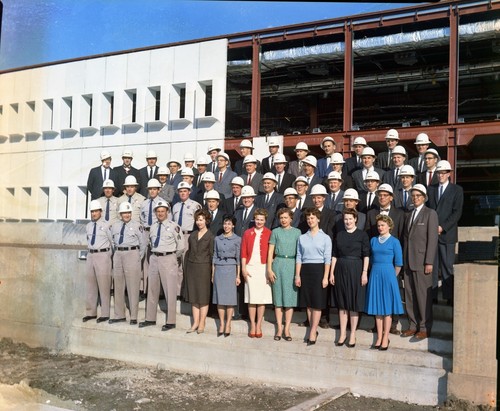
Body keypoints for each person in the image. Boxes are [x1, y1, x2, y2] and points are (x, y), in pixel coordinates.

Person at [401, 184, 439, 340]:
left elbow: (432, 239)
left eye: (418, 195)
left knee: (423, 296)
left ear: (424, 197)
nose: (415, 198)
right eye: (413, 195)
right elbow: (406, 239)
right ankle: (412, 325)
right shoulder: (408, 215)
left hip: (422, 262)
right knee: (409, 295)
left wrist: (429, 261)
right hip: (408, 261)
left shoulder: (430, 214)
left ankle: (424, 327)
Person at [140, 201, 184, 330]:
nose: (160, 213)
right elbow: (150, 243)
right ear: (155, 213)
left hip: (168, 258)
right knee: (152, 289)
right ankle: (150, 318)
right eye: (158, 211)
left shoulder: (174, 226)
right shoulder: (153, 227)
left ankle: (171, 321)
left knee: (170, 290)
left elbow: (181, 247)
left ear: (167, 212)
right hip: (154, 258)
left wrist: (171, 258)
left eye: (162, 211)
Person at [330, 208, 370, 348]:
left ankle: (352, 333)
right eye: (345, 219)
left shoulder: (362, 235)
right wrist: (331, 273)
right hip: (340, 268)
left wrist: (364, 272)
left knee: (353, 304)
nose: (348, 221)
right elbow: (334, 254)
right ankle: (342, 334)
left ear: (355, 220)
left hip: (356, 269)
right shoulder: (339, 235)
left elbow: (366, 255)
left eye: (350, 219)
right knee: (342, 304)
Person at [427, 160, 463, 306]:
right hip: (432, 234)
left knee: (447, 266)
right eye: (439, 173)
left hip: (447, 235)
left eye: (443, 173)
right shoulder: (431, 189)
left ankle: (449, 297)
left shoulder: (457, 190)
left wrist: (442, 227)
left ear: (449, 174)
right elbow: (429, 210)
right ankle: (433, 295)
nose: (441, 175)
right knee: (433, 267)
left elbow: (456, 213)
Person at [365, 215, 404, 351]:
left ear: (389, 226)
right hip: (375, 274)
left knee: (387, 308)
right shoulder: (373, 240)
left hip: (388, 274)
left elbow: (398, 263)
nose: (380, 227)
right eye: (379, 225)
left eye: (383, 225)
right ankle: (379, 337)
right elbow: (369, 258)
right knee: (377, 308)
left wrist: (392, 276)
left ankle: (386, 336)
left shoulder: (394, 242)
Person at [295, 208, 332, 346]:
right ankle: (312, 328)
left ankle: (313, 330)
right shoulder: (302, 237)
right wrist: (297, 275)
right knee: (308, 303)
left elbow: (327, 259)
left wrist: (325, 277)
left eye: (313, 218)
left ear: (318, 219)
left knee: (317, 303)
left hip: (319, 270)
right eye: (308, 218)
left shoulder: (325, 238)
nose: (310, 220)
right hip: (305, 270)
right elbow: (299, 257)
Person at [267, 208, 301, 341]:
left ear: (291, 218)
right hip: (278, 263)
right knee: (278, 298)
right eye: (281, 217)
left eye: (286, 217)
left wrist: (298, 273)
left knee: (289, 298)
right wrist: (269, 269)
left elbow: (300, 253)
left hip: (291, 264)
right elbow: (270, 252)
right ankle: (279, 329)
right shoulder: (275, 232)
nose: (283, 220)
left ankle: (287, 328)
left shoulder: (297, 232)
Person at [110, 202, 146, 325]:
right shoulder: (114, 226)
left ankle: (133, 316)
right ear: (120, 214)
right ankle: (119, 315)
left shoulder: (137, 226)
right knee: (118, 286)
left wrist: (136, 258)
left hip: (132, 254)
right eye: (124, 213)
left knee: (133, 286)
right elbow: (112, 243)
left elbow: (143, 245)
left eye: (128, 212)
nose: (126, 215)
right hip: (118, 254)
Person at [241, 208, 273, 338]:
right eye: (257, 219)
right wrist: (243, 268)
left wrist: (269, 269)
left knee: (261, 299)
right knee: (252, 298)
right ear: (254, 219)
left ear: (265, 220)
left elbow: (272, 253)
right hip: (250, 267)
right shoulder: (247, 233)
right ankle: (252, 324)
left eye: (262, 220)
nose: (259, 222)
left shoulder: (269, 233)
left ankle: (259, 324)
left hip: (264, 267)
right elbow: (243, 252)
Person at [183, 209, 214, 334]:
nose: (199, 222)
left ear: (206, 221)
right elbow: (189, 251)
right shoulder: (193, 235)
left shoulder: (211, 236)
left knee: (203, 296)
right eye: (197, 220)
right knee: (194, 296)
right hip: (192, 267)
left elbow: (212, 255)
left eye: (201, 220)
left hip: (204, 268)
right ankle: (195, 322)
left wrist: (212, 273)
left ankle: (202, 322)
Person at [83, 200, 113, 323]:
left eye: (96, 211)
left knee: (104, 285)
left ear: (101, 211)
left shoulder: (106, 225)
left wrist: (107, 256)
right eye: (92, 211)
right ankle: (91, 312)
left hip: (103, 255)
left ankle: (105, 313)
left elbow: (113, 243)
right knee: (91, 285)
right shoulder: (88, 226)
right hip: (91, 255)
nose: (94, 213)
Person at [212, 215, 241, 337]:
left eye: (229, 224)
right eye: (225, 223)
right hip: (219, 268)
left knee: (229, 299)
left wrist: (238, 275)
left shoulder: (237, 239)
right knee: (219, 298)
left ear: (233, 225)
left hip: (230, 269)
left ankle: (228, 323)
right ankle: (221, 324)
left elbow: (238, 259)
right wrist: (213, 274)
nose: (226, 226)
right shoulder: (217, 239)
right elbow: (214, 256)